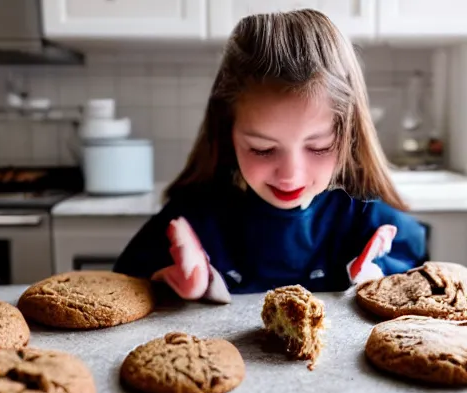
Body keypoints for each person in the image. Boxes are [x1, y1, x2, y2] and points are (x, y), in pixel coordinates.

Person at [113, 8, 427, 302]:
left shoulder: (364, 217)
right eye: (263, 149)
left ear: (349, 135)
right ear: (227, 134)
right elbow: (121, 288)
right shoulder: (194, 219)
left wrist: (377, 277)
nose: (291, 174)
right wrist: (172, 284)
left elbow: (419, 266)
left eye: (318, 147)